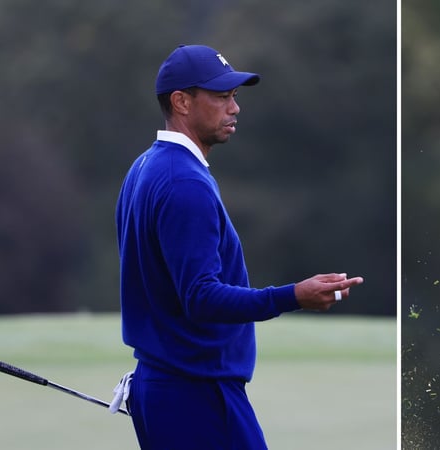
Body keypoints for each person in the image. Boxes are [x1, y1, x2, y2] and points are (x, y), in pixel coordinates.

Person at [114, 44, 364, 450]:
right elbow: (201, 298)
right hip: (197, 393)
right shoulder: (184, 183)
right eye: (221, 97)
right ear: (181, 101)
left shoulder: (146, 166)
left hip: (166, 387)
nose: (235, 108)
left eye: (234, 96)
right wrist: (294, 296)